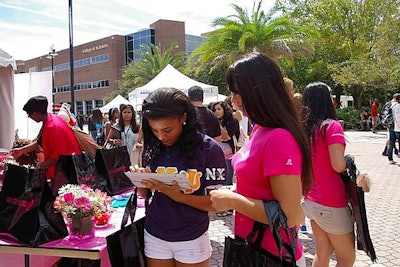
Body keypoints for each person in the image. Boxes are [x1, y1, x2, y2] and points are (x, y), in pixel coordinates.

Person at [210, 52, 313, 267]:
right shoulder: (260, 129)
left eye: (238, 91)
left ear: (260, 91)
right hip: (252, 248)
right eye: (232, 91)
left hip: (273, 255)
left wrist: (231, 201)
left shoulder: (279, 138)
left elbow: (289, 216)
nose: (233, 99)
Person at [130, 87, 227, 267]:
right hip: (154, 233)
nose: (161, 136)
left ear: (183, 117)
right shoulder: (152, 148)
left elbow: (216, 203)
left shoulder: (208, 148)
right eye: (154, 130)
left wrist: (180, 197)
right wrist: (141, 181)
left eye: (167, 129)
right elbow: (146, 195)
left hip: (191, 236)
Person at [302, 82, 355, 267]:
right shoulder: (331, 127)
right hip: (332, 202)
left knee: (322, 253)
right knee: (346, 258)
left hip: (311, 200)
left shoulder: (304, 131)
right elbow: (338, 165)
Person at [10, 96, 81, 180]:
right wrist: (22, 150)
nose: (30, 117)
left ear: (35, 112)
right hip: (64, 168)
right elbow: (40, 142)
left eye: (29, 114)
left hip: (65, 172)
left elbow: (56, 158)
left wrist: (35, 169)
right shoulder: (51, 119)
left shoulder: (52, 126)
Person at [387, 93, 400, 164]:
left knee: (391, 143)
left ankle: (390, 159)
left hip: (390, 125)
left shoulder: (389, 104)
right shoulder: (397, 106)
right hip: (397, 127)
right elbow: (398, 117)